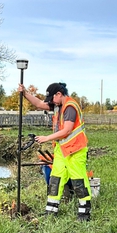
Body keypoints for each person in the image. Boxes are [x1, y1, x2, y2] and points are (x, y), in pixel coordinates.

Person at [18, 82, 92, 221]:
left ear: (59, 94)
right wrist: (25, 93)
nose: (50, 102)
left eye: (52, 98)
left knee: (78, 180)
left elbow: (67, 130)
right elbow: (39, 104)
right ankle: (51, 211)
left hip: (75, 150)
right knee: (55, 179)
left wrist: (47, 138)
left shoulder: (70, 107)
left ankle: (84, 213)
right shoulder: (58, 105)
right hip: (61, 150)